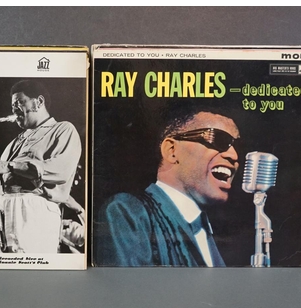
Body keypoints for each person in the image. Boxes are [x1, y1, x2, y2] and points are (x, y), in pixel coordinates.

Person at [95, 103, 240, 267]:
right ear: (172, 151)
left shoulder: (217, 233)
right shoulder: (129, 212)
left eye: (237, 146)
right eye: (218, 140)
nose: (234, 155)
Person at [0, 79, 82, 253]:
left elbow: (60, 170)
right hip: (4, 213)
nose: (14, 110)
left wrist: (8, 166)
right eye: (12, 106)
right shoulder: (14, 143)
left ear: (39, 102)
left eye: (19, 103)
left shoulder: (63, 129)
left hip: (35, 210)